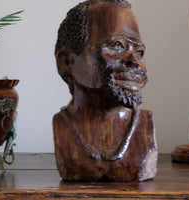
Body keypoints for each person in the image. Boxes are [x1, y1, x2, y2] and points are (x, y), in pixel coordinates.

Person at [53, 0, 158, 181]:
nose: (134, 61)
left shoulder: (145, 126)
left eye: (140, 51)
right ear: (66, 62)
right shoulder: (62, 125)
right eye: (116, 45)